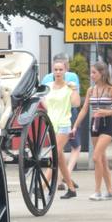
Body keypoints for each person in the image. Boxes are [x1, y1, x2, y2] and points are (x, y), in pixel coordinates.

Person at [72, 61, 112, 201]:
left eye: (94, 72)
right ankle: (110, 190)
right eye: (91, 72)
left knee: (96, 157)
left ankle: (97, 191)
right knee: (102, 159)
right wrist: (75, 125)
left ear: (102, 73)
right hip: (95, 124)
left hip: (108, 125)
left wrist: (107, 112)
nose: (91, 75)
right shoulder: (91, 90)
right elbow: (84, 109)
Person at [43, 55, 81, 199]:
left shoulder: (69, 86)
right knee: (59, 158)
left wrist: (75, 90)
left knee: (55, 152)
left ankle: (43, 185)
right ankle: (71, 188)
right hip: (51, 123)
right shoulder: (49, 87)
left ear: (65, 71)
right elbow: (44, 102)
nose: (58, 72)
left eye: (60, 69)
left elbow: (76, 103)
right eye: (56, 69)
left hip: (64, 124)